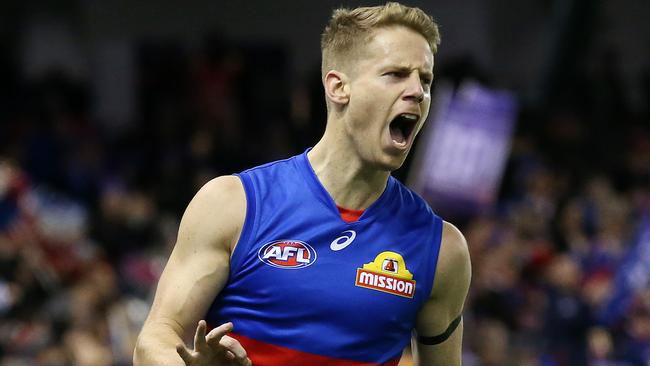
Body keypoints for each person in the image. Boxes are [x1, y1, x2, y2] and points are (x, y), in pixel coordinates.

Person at [133, 2, 471, 365]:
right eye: (396, 74)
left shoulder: (442, 250)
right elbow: (154, 340)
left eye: (425, 80)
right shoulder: (234, 204)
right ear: (339, 87)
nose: (417, 92)